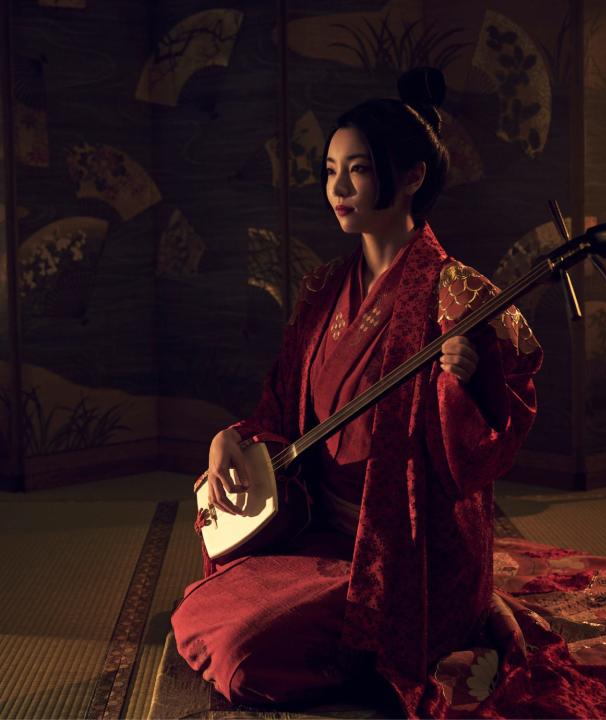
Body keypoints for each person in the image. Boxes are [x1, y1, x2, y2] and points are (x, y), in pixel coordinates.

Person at [170, 67, 542, 718]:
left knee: (238, 656)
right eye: (329, 171)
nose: (337, 188)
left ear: (411, 176)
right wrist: (230, 439)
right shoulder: (321, 290)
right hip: (312, 521)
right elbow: (279, 406)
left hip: (405, 549)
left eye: (358, 170)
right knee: (203, 598)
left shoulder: (461, 295)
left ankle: (400, 636)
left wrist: (459, 386)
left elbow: (487, 455)